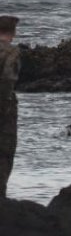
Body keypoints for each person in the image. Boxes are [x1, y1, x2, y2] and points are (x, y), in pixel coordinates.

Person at [0, 15, 20, 198]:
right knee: (4, 153)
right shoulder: (10, 52)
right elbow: (7, 79)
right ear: (12, 32)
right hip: (4, 109)